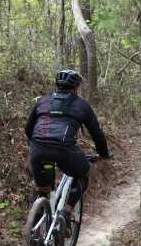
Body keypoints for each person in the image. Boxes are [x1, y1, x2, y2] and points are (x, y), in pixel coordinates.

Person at [25, 69, 111, 225]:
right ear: (76, 87)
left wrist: (37, 147)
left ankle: (33, 232)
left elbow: (28, 130)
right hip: (64, 149)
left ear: (56, 85)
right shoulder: (81, 105)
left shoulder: (42, 101)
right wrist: (103, 154)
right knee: (83, 174)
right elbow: (97, 134)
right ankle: (66, 212)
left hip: (38, 148)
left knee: (42, 189)